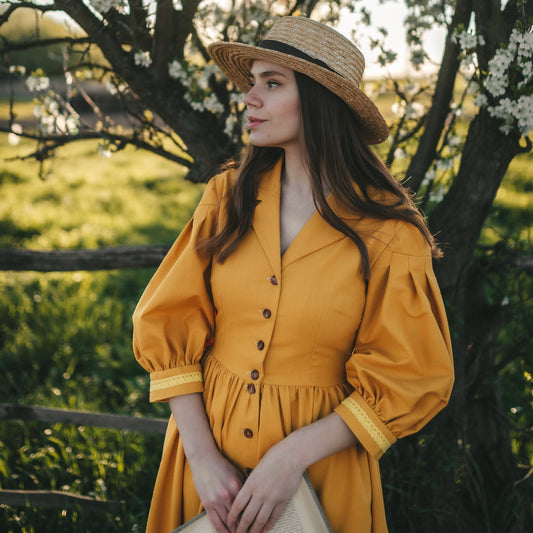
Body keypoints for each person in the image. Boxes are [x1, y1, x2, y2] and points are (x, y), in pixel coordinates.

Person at [132, 15, 454, 533]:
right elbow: (167, 325)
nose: (249, 99)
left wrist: (290, 458)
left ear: (321, 103)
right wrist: (203, 460)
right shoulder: (227, 197)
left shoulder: (390, 231)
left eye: (272, 84)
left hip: (321, 478)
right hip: (206, 472)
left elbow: (410, 374)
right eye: (251, 82)